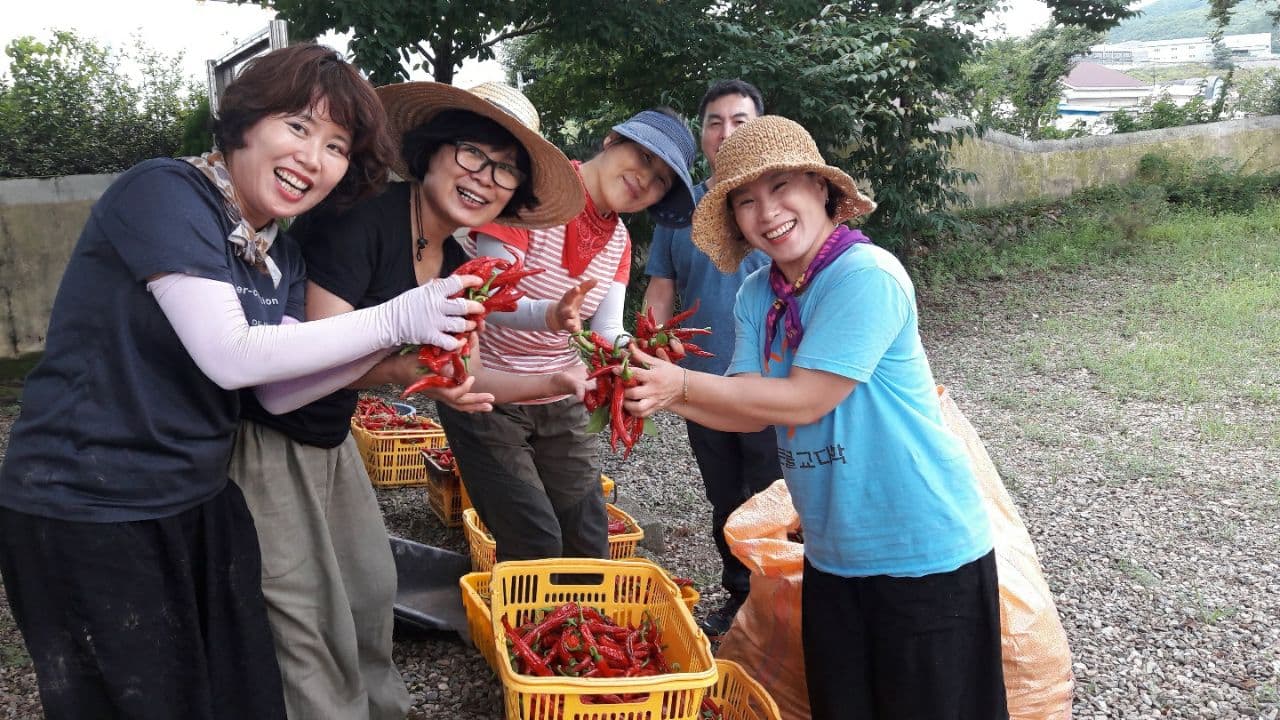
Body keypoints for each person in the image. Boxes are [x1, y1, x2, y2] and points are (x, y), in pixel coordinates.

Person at [0, 44, 486, 720]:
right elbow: (232, 355)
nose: (313, 158)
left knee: (239, 691)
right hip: (87, 502)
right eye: (297, 126)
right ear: (244, 122)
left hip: (194, 495)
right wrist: (398, 314)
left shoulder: (276, 254)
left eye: (337, 145)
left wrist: (402, 351)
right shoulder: (168, 192)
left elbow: (278, 390)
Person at [622, 116, 1006, 720]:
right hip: (833, 552)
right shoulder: (758, 295)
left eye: (780, 188)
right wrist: (654, 390)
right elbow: (749, 408)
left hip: (921, 549)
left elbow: (804, 399)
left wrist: (681, 385)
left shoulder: (866, 276)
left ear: (822, 190)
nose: (766, 211)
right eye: (745, 202)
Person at [227, 81, 586, 720]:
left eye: (506, 169)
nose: (486, 177)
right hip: (269, 436)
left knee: (370, 589)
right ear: (430, 150)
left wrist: (558, 383)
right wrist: (402, 365)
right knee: (304, 611)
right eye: (472, 153)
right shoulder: (360, 219)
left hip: (330, 436)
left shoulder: (455, 261)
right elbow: (301, 362)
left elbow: (467, 377)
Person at [439, 108, 697, 565]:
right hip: (487, 396)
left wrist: (643, 358)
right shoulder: (532, 195)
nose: (644, 179)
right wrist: (550, 315)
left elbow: (606, 332)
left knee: (588, 538)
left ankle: (573, 631)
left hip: (561, 398)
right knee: (533, 538)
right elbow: (489, 296)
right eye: (642, 156)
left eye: (660, 180)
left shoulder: (618, 240)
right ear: (610, 141)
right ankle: (519, 632)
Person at [642, 79, 780, 638]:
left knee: (776, 499)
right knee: (724, 497)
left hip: (772, 385)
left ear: (762, 129)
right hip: (699, 384)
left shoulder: (778, 201)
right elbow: (659, 289)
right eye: (715, 122)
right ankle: (739, 598)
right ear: (701, 136)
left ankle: (782, 603)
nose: (726, 133)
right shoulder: (679, 210)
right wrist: (647, 352)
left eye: (740, 121)